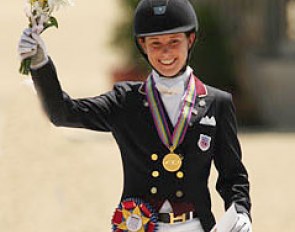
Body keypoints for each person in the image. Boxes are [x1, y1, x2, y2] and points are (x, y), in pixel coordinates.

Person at [18, 0, 252, 231]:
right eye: (155, 43)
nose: (166, 52)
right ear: (142, 44)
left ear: (190, 40)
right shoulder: (125, 101)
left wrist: (241, 211)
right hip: (138, 225)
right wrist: (41, 64)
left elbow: (233, 176)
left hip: (195, 226)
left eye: (174, 41)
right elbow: (62, 114)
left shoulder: (217, 103)